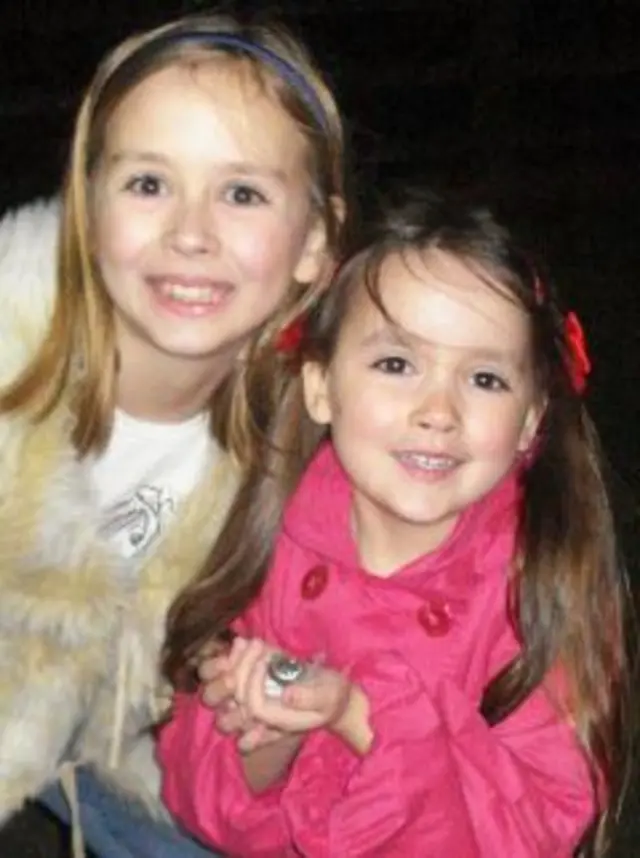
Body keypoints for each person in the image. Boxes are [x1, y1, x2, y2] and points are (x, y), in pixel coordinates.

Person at [158, 190, 630, 857]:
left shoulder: (540, 584)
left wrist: (356, 713)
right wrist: (275, 732)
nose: (438, 409)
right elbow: (204, 806)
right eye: (396, 364)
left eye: (486, 379)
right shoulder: (269, 544)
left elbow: (527, 837)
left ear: (529, 421)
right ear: (322, 386)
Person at [0, 10, 346, 857]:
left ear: (314, 241)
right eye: (149, 184)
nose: (190, 234)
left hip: (125, 742)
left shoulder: (319, 434)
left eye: (242, 193)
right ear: (88, 205)